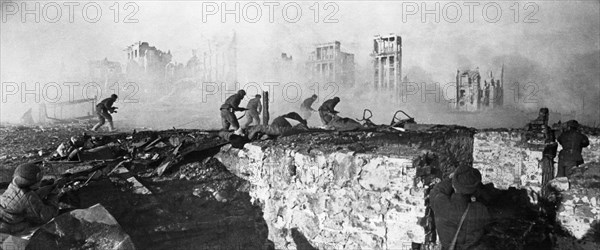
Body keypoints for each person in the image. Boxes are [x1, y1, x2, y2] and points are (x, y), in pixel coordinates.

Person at [430, 167, 490, 250]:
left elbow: (437, 190)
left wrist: (451, 179)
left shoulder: (441, 202)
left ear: (454, 185)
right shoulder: (481, 210)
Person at [0, 163, 59, 234]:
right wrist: (53, 195)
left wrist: (49, 188)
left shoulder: (13, 186)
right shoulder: (29, 198)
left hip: (6, 221)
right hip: (13, 231)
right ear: (33, 184)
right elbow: (47, 216)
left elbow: (27, 194)